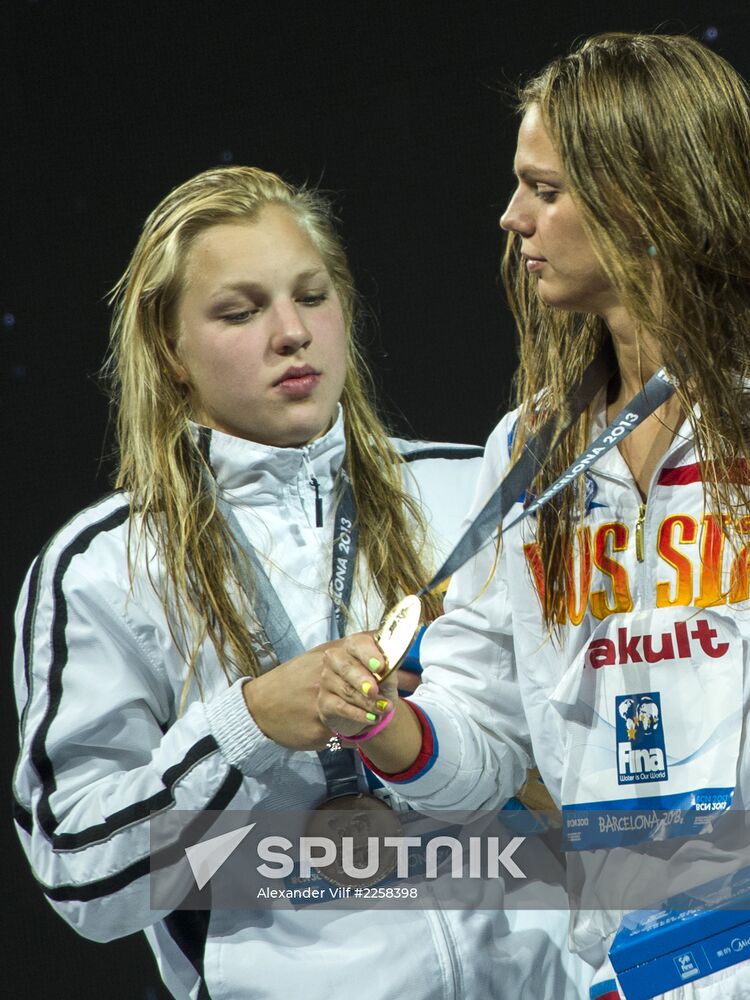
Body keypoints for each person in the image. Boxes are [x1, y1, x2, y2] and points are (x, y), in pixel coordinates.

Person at [12, 165, 589, 999]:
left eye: (311, 297)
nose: (291, 332)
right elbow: (82, 878)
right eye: (240, 312)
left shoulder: (476, 493)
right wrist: (244, 727)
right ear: (170, 349)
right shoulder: (106, 568)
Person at [318, 32, 750, 999]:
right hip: (627, 970)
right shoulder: (529, 450)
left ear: (646, 197)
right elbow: (487, 731)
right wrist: (384, 722)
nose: (513, 217)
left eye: (544, 190)